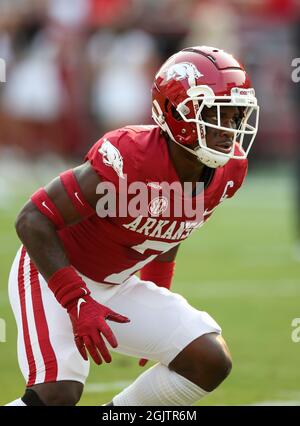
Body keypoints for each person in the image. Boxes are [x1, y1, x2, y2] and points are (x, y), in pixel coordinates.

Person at [5, 46, 259, 406]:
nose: (229, 128)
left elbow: (173, 223)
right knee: (58, 394)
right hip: (52, 274)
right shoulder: (130, 157)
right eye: (217, 113)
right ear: (177, 114)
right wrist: (76, 300)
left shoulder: (230, 170)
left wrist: (157, 292)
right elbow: (32, 219)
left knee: (207, 360)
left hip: (115, 285)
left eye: (237, 114)